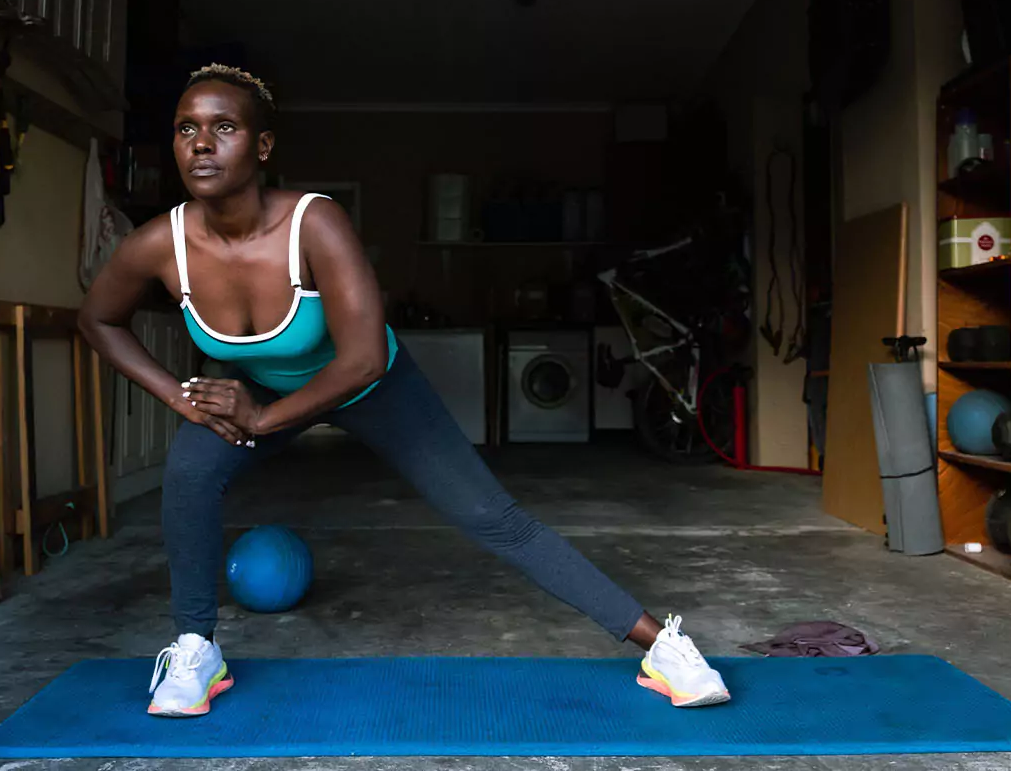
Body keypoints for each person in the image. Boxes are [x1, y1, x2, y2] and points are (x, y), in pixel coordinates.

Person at [78, 63, 731, 718]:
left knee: (490, 517)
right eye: (186, 128)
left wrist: (266, 417)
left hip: (374, 387)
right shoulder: (161, 244)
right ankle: (195, 647)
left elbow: (360, 360)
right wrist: (176, 395)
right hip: (263, 391)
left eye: (224, 127)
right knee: (190, 471)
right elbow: (98, 320)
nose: (201, 143)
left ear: (263, 147)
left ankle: (662, 646)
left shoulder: (315, 224)